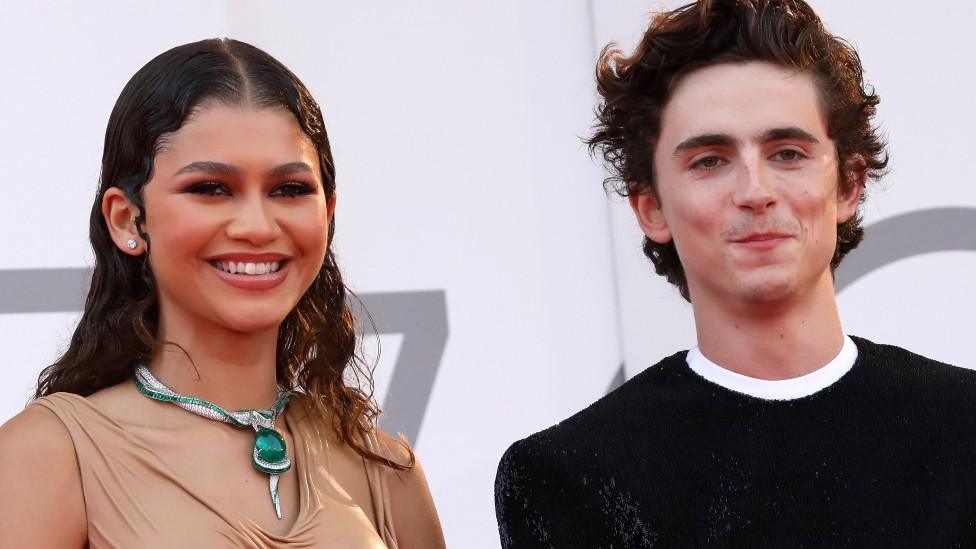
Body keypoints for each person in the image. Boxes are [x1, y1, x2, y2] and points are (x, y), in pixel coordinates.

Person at [495, 0, 976, 546]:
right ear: (650, 207)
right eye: (709, 161)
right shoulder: (569, 476)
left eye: (788, 153)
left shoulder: (964, 429)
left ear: (847, 185)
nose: (755, 192)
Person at [0, 38, 444, 548]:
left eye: (289, 190)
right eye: (211, 188)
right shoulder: (50, 456)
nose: (257, 226)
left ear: (327, 212)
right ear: (128, 219)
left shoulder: (384, 469)